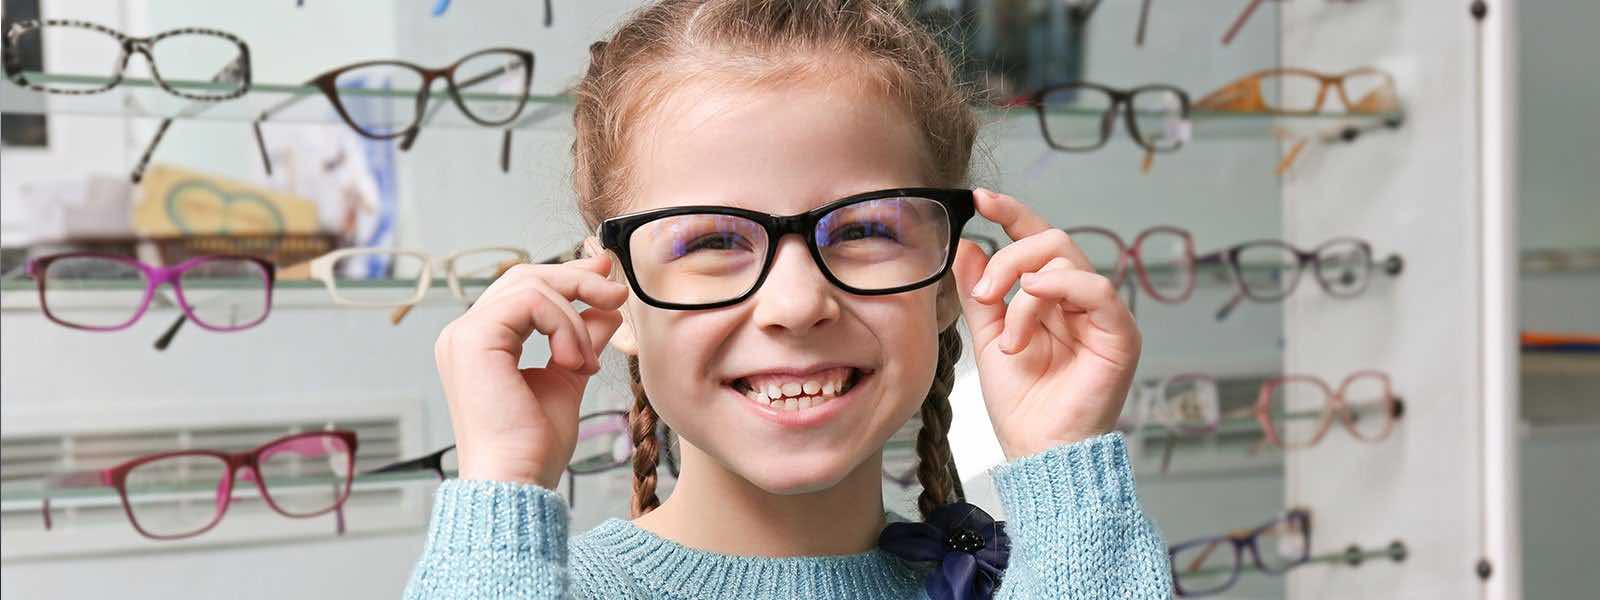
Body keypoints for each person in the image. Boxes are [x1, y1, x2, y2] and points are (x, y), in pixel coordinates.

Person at [406, 1, 1172, 597]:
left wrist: (1066, 471)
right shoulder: (524, 583)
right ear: (614, 295)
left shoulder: (1051, 574)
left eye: (867, 228)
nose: (797, 303)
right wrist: (501, 480)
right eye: (709, 242)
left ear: (949, 283)